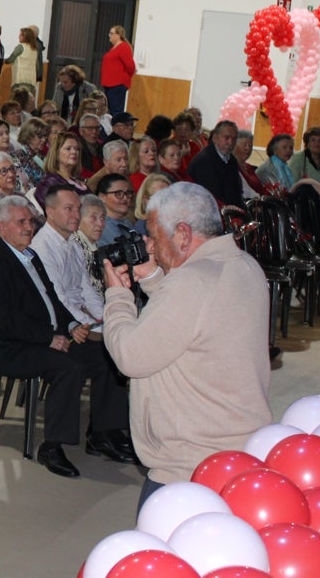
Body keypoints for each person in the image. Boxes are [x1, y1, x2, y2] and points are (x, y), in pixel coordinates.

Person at [103, 182, 272, 506]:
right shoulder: (244, 265)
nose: (149, 246)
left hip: (188, 469)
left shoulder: (190, 284)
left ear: (182, 233)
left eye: (153, 234)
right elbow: (196, 322)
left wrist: (118, 298)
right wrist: (155, 279)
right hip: (237, 453)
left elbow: (130, 356)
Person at [0, 196, 131, 478]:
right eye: (21, 222)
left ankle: (103, 434)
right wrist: (49, 338)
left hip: (43, 335)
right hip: (11, 346)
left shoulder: (29, 254)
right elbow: (3, 319)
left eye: (30, 221)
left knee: (107, 356)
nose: (29, 227)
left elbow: (51, 299)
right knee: (69, 368)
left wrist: (70, 325)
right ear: (1, 228)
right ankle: (52, 446)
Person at [29, 185, 110, 333]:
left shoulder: (74, 242)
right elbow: (59, 300)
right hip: (64, 325)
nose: (76, 215)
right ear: (50, 212)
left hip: (83, 317)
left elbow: (86, 288)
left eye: (78, 209)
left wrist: (106, 318)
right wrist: (96, 328)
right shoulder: (41, 248)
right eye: (68, 208)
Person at [186, 120, 243, 208]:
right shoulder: (204, 161)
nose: (230, 143)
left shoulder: (231, 159)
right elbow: (211, 197)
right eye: (226, 138)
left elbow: (237, 192)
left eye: (234, 139)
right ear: (215, 138)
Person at [35, 131, 90, 208]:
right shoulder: (49, 183)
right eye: (68, 148)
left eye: (77, 149)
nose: (74, 152)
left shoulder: (79, 180)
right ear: (56, 153)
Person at [100, 25, 136, 116]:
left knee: (116, 111)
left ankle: (118, 129)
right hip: (110, 84)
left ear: (118, 35)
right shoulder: (115, 48)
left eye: (111, 33)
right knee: (111, 110)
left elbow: (131, 66)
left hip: (117, 84)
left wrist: (124, 79)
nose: (109, 35)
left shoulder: (123, 47)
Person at [96, 173, 137, 246]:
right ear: (102, 197)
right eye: (118, 193)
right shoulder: (99, 226)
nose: (125, 198)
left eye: (127, 193)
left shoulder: (128, 223)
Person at [5, 27, 40, 93]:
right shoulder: (34, 49)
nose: (19, 36)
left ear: (25, 37)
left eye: (20, 35)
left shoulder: (20, 47)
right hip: (31, 80)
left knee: (17, 100)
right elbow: (37, 66)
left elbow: (11, 59)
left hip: (20, 79)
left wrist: (3, 61)